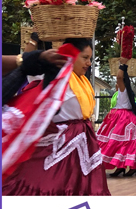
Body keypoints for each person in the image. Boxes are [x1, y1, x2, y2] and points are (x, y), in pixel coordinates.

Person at [3, 39, 110, 195]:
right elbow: (29, 63)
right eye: (85, 58)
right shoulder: (53, 75)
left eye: (90, 59)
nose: (88, 63)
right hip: (57, 147)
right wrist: (34, 40)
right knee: (53, 187)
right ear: (72, 57)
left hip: (83, 147)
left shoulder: (83, 81)